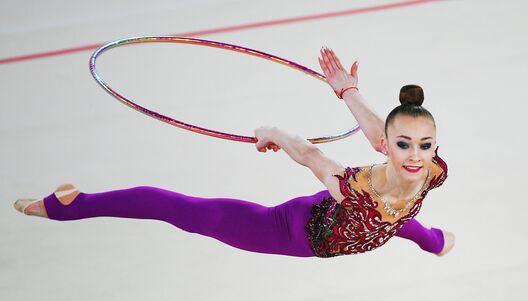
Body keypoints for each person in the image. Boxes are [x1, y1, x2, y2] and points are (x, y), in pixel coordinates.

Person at [14, 47, 455, 258]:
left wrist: (281, 126)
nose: (415, 157)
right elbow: (326, 151)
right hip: (302, 228)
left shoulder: (429, 169)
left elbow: (346, 143)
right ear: (389, 145)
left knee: (398, 218)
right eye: (404, 145)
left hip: (364, 219)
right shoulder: (365, 186)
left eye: (424, 145)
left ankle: (431, 241)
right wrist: (282, 126)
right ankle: (72, 206)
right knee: (187, 212)